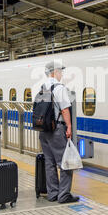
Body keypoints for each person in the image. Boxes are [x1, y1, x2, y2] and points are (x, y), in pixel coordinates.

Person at [39, 61, 80, 204]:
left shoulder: (42, 87)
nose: (61, 74)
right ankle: (64, 195)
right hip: (56, 129)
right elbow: (64, 109)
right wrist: (69, 127)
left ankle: (53, 194)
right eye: (60, 71)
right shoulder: (59, 88)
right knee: (66, 162)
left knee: (50, 163)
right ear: (54, 72)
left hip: (43, 130)